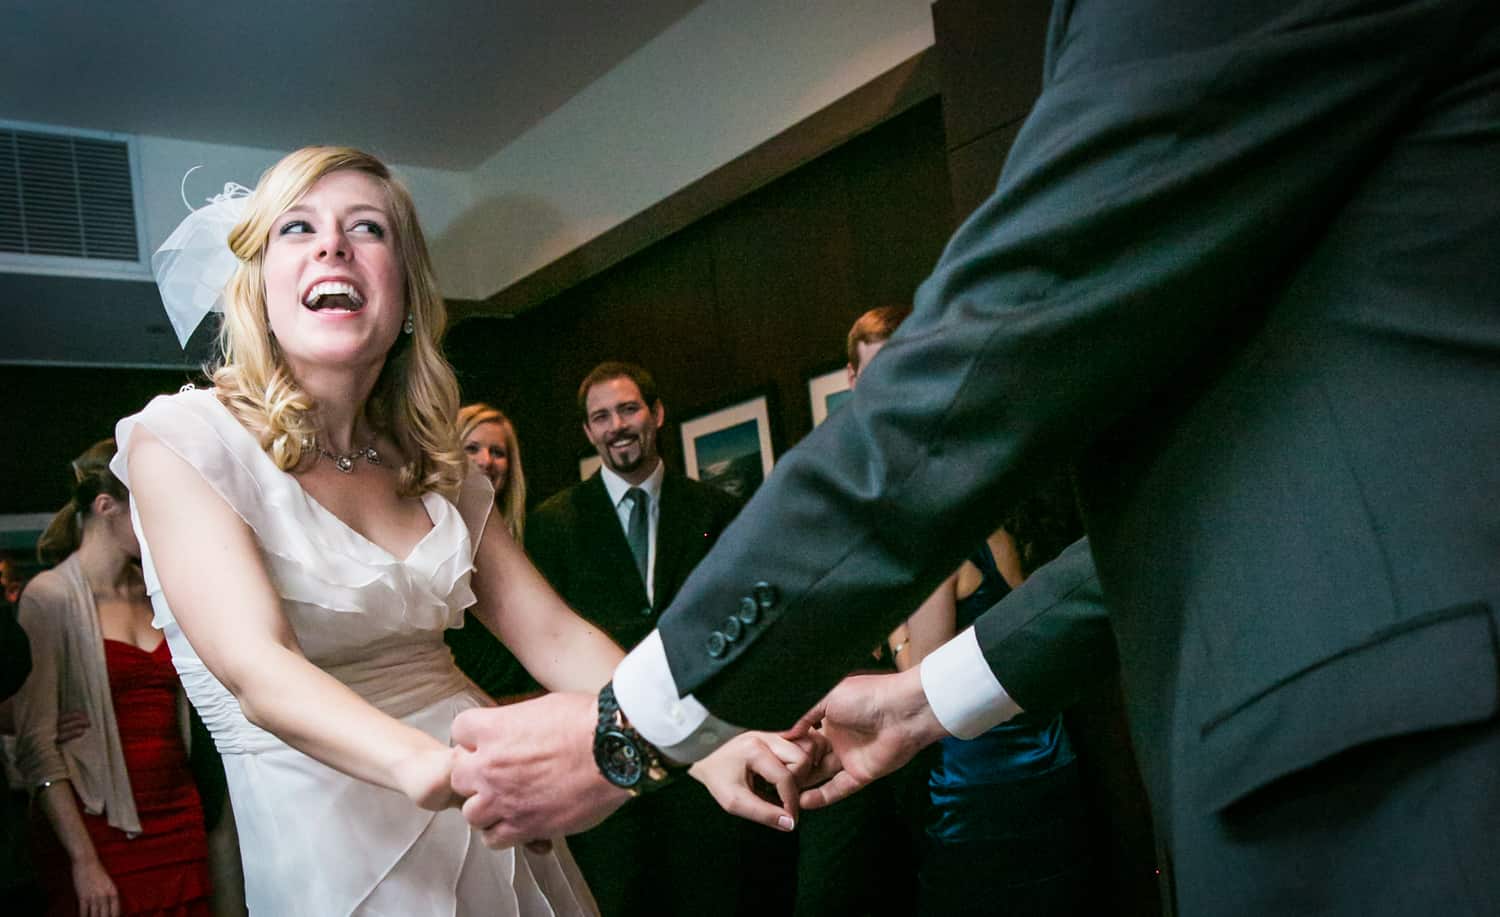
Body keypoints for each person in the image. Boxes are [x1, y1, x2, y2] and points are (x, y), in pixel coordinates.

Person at [450, 3, 1500, 913]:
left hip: (1414, 765)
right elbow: (1201, 499)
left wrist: (630, 727)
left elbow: (988, 352)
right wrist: (920, 699)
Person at [115, 146, 808, 917]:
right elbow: (257, 666)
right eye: (298, 227)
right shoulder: (184, 440)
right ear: (259, 286)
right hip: (337, 834)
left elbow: (552, 634)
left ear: (406, 291)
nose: (332, 244)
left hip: (490, 809)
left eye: (367, 228)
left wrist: (699, 741)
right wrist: (438, 768)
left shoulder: (435, 461)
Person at [524, 361, 790, 916]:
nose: (617, 426)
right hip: (607, 760)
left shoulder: (716, 509)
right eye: (601, 417)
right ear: (588, 432)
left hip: (704, 748)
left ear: (657, 413)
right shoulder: (552, 523)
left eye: (628, 409)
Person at [14, 440, 214, 916]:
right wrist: (83, 861)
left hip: (178, 813)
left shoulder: (157, 590)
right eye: (150, 509)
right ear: (106, 506)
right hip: (100, 823)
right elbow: (36, 745)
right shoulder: (50, 596)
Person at [445, 403, 536, 702]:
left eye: (497, 452)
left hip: (526, 700)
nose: (485, 461)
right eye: (472, 449)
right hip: (457, 702)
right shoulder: (432, 539)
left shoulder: (535, 536)